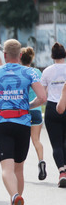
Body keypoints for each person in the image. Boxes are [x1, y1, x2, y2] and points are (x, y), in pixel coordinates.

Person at [0, 39, 46, 205]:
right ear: (19, 55)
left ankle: (14, 197)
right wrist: (28, 104)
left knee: (6, 168)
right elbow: (42, 97)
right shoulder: (30, 72)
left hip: (3, 123)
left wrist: (1, 95)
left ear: (4, 55)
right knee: (19, 168)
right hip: (23, 123)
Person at [41, 42, 66, 187]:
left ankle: (61, 171)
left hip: (52, 108)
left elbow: (43, 95)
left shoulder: (47, 71)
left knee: (56, 144)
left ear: (52, 56)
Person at [20, 47, 46, 181]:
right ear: (32, 58)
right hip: (36, 110)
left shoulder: (19, 72)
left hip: (23, 111)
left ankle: (20, 171)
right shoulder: (37, 72)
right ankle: (41, 160)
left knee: (21, 142)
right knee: (36, 140)